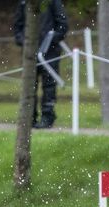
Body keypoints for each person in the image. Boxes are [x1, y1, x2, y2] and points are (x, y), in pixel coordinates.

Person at [13, 0, 68, 129]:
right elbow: (18, 27)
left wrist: (50, 40)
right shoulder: (25, 3)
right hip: (30, 55)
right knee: (29, 85)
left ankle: (47, 117)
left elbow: (63, 26)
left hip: (50, 53)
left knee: (49, 85)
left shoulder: (53, 2)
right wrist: (26, 43)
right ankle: (28, 117)